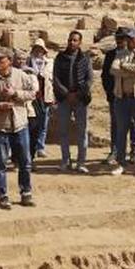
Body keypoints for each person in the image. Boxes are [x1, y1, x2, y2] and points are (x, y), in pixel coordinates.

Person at [0, 47, 37, 210]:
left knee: (25, 161)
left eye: (2, 60)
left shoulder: (21, 75)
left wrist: (16, 93)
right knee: (0, 163)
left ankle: (26, 192)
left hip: (20, 124)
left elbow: (33, 92)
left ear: (9, 62)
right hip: (0, 126)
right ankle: (2, 196)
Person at [108, 27, 135, 178]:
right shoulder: (120, 54)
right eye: (128, 38)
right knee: (121, 132)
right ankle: (121, 163)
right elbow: (113, 70)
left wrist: (125, 67)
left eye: (132, 38)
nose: (129, 41)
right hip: (122, 98)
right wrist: (131, 71)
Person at [52, 31, 92, 173]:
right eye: (70, 40)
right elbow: (56, 78)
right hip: (64, 99)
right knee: (63, 131)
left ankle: (81, 162)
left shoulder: (85, 58)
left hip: (81, 99)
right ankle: (65, 160)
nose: (72, 42)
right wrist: (66, 94)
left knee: (82, 131)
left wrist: (78, 94)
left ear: (80, 42)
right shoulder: (60, 57)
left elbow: (89, 79)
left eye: (75, 40)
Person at [101, 28, 135, 165]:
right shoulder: (111, 55)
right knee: (116, 124)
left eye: (122, 39)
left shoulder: (133, 53)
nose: (120, 41)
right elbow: (105, 75)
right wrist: (110, 93)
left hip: (131, 94)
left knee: (133, 124)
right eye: (118, 39)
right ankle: (114, 151)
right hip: (115, 95)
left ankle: (134, 152)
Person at [24, 39, 55, 159]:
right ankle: (30, 146)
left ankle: (40, 146)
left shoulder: (49, 63)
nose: (38, 51)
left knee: (43, 124)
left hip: (45, 96)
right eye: (36, 49)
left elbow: (52, 78)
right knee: (31, 124)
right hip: (31, 98)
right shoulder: (28, 62)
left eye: (40, 49)